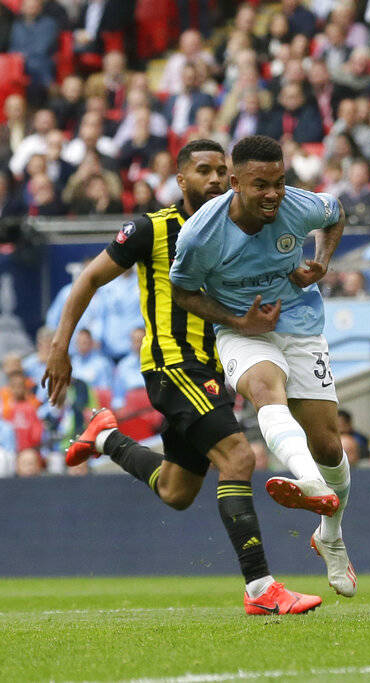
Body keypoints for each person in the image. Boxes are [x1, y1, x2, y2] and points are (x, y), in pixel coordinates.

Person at [41, 139, 321, 615]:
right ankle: (261, 589)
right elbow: (88, 278)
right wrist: (60, 347)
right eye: (203, 171)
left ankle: (105, 437)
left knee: (177, 491)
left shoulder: (239, 227)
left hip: (217, 366)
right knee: (237, 457)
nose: (213, 179)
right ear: (182, 179)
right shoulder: (152, 229)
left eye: (220, 171)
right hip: (175, 364)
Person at [168, 135, 354, 598]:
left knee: (328, 445)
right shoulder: (200, 235)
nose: (273, 194)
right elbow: (182, 292)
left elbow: (337, 215)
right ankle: (308, 482)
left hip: (300, 320)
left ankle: (329, 535)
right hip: (242, 329)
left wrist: (322, 262)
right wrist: (237, 320)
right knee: (266, 391)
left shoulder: (297, 205)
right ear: (234, 183)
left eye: (280, 182)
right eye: (260, 185)